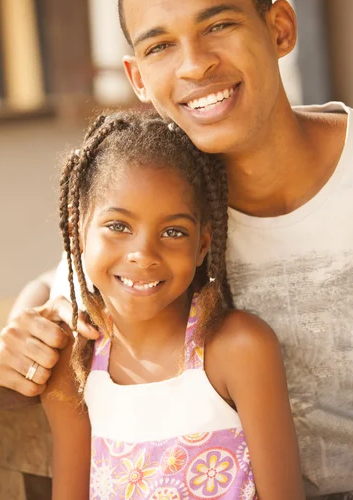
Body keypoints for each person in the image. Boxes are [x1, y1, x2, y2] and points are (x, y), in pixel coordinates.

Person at [0, 0, 353, 499]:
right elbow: (65, 284)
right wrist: (27, 327)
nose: (195, 65)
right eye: (159, 46)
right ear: (138, 78)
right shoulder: (168, 209)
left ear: (280, 29)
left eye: (218, 25)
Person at [42, 109, 304, 500]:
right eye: (118, 226)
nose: (143, 254)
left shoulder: (239, 349)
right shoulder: (73, 363)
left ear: (202, 244)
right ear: (77, 225)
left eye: (173, 232)